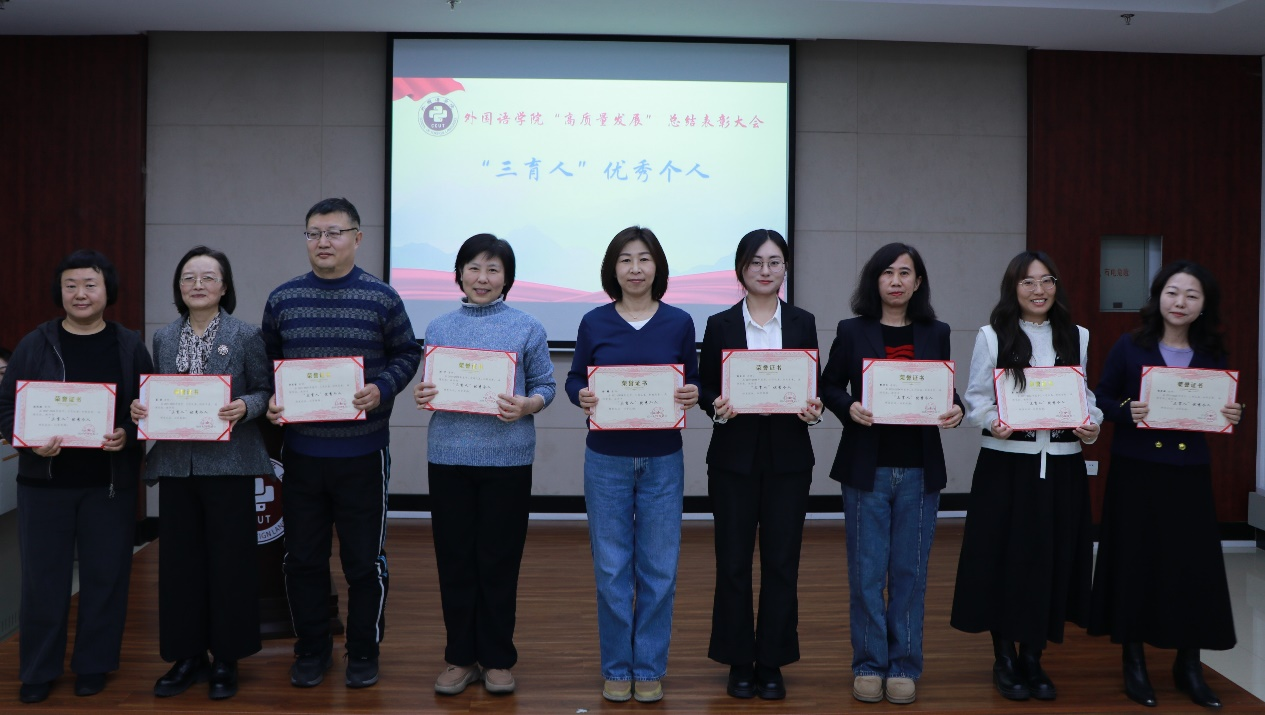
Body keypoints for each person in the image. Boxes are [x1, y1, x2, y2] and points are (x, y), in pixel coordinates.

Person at [262, 197, 422, 689]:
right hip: (301, 455)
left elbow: (407, 353)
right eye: (314, 233)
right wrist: (271, 398)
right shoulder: (283, 299)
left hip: (363, 453)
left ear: (357, 237)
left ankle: (363, 650)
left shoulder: (382, 297)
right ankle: (312, 649)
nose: (323, 242)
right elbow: (268, 364)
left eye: (334, 232)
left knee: (363, 562)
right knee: (302, 559)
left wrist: (383, 387)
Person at [0, 250, 154, 704]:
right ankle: (38, 670)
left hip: (108, 486)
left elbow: (149, 408)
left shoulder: (128, 345)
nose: (80, 293)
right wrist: (27, 441)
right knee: (42, 582)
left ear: (107, 290)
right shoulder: (35, 343)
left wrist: (128, 434)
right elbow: (6, 407)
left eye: (90, 284)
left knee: (106, 579)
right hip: (43, 486)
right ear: (60, 292)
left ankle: (93, 665)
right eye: (71, 285)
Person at [949, 250, 1101, 702]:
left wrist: (1091, 423)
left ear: (1057, 286)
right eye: (1028, 282)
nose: (1039, 290)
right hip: (1006, 467)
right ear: (1013, 288)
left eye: (1047, 280)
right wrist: (992, 420)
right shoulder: (992, 335)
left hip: (1062, 465)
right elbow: (977, 398)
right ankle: (1004, 658)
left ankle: (1033, 657)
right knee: (1003, 560)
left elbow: (1085, 395)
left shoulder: (1077, 335)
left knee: (1052, 561)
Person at [1088, 260, 1241, 709]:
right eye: (1173, 292)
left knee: (1192, 567)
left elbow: (1221, 407)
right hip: (1136, 471)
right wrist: (1125, 410)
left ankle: (1188, 664)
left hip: (1188, 472)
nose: (1180, 302)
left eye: (1192, 295)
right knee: (1135, 562)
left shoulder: (1212, 352)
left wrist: (1233, 413)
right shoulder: (1130, 345)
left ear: (1203, 305)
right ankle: (1133, 661)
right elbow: (1100, 397)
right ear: (1158, 297)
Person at [819, 243, 963, 705]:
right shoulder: (852, 330)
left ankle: (903, 665)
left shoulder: (936, 332)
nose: (896, 281)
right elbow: (828, 384)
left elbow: (946, 391)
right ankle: (868, 663)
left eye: (905, 273)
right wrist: (849, 407)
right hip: (867, 468)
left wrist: (957, 409)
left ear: (918, 282)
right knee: (866, 573)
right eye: (887, 272)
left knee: (910, 572)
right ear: (875, 280)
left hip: (920, 468)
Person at [413, 234, 556, 696]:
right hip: (448, 456)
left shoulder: (527, 327)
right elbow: (431, 387)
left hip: (507, 459)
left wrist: (528, 405)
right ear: (459, 274)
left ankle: (496, 659)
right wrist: (423, 394)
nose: (482, 278)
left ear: (507, 278)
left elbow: (547, 386)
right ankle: (460, 657)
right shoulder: (438, 328)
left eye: (493, 270)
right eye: (474, 267)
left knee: (498, 561)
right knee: (455, 560)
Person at [128, 246, 272, 700]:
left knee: (230, 564)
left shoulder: (246, 334)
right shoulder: (163, 337)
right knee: (180, 566)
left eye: (208, 277)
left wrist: (245, 405)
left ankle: (227, 657)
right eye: (189, 277)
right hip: (177, 465)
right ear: (178, 286)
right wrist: (141, 409)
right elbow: (159, 395)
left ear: (224, 287)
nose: (198, 285)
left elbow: (266, 390)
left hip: (229, 463)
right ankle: (186, 656)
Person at [565, 226, 700, 704]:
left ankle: (649, 667)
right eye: (626, 260)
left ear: (657, 267)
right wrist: (580, 394)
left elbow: (693, 380)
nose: (636, 268)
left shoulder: (679, 322)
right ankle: (617, 667)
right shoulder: (594, 322)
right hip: (606, 459)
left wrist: (693, 392)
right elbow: (575, 378)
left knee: (659, 568)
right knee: (611, 568)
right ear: (613, 269)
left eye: (644, 259)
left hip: (663, 458)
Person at [699, 229, 821, 701]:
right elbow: (707, 386)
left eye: (774, 262)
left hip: (789, 458)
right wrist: (716, 405)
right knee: (732, 561)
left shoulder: (804, 322)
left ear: (785, 268)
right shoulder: (720, 324)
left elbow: (811, 388)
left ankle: (771, 661)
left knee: (782, 561)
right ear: (741, 270)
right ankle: (738, 661)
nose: (765, 270)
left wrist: (813, 410)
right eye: (756, 262)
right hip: (733, 459)